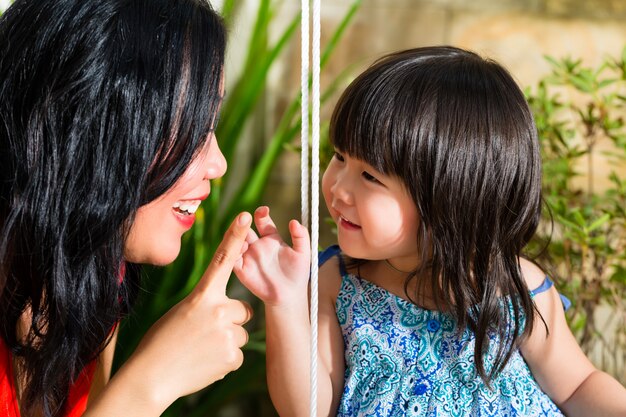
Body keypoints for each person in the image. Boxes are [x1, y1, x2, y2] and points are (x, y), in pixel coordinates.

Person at [234, 46, 626, 416]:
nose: (338, 188)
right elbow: (308, 409)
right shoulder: (339, 283)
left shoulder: (513, 287)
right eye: (339, 157)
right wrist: (283, 301)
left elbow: (578, 387)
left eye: (369, 176)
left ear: (450, 200)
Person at [0, 0, 254, 416]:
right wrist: (150, 384)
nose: (218, 164)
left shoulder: (94, 266)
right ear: (95, 122)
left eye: (211, 125)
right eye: (193, 128)